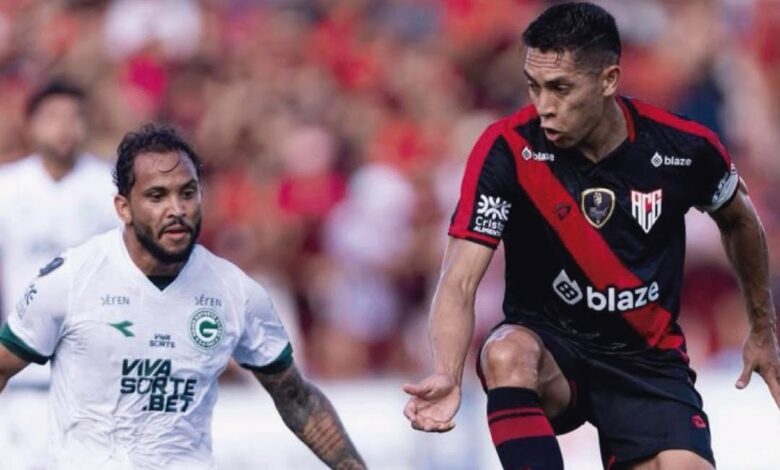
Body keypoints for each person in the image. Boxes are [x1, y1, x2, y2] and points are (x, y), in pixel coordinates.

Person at [403, 3, 780, 470]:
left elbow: (741, 221)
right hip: (553, 353)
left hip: (645, 361)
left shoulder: (683, 149)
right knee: (506, 352)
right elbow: (458, 280)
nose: (544, 106)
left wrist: (762, 328)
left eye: (560, 88)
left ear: (608, 80)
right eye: (534, 86)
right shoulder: (508, 149)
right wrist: (447, 370)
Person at [0, 124, 366, 470]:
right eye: (157, 196)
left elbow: (297, 398)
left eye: (187, 193)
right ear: (123, 208)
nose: (176, 209)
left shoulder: (235, 292)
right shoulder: (72, 279)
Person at [0, 78, 118, 468]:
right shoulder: (7, 189)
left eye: (74, 116)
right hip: (22, 381)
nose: (64, 127)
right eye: (52, 117)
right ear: (31, 124)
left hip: (94, 385)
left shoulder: (111, 190)